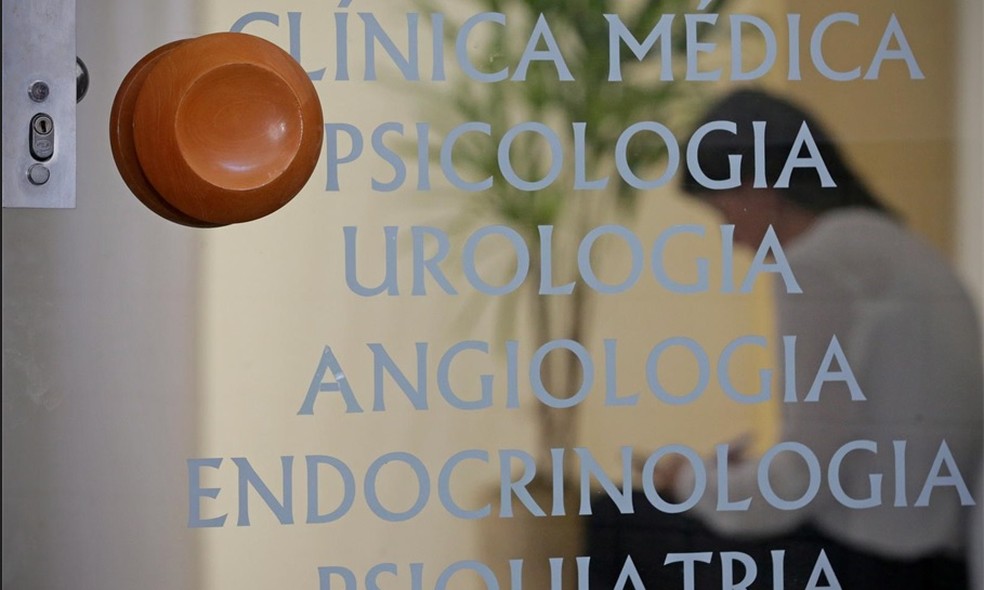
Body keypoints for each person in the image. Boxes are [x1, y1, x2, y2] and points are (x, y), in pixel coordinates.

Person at [589, 89, 982, 589]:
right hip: (935, 561)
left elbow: (798, 482)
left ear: (758, 187)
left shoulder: (817, 264)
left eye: (723, 212)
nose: (731, 237)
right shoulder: (903, 251)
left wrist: (689, 478)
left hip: (869, 568)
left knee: (617, 518)